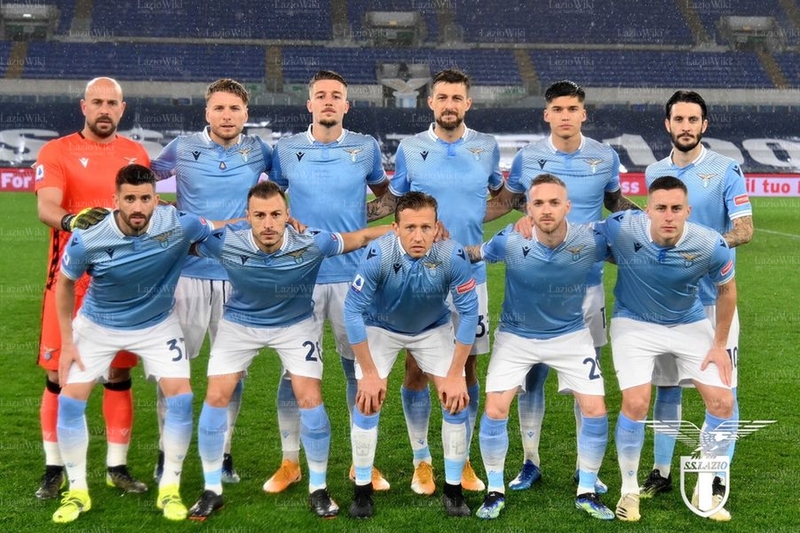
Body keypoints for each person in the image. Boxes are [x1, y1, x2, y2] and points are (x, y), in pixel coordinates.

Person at [187, 181, 392, 521]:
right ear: (247, 217)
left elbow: (361, 237)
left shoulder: (311, 242)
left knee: (309, 397)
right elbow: (181, 243)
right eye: (259, 216)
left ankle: (318, 488)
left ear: (288, 215)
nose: (268, 224)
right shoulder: (226, 242)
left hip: (295, 325)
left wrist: (401, 229)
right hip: (239, 324)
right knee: (216, 396)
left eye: (275, 215)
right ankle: (212, 490)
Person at [482, 79, 638, 492]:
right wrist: (456, 218)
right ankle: (530, 461)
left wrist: (651, 220)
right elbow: (510, 202)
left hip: (587, 284)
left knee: (588, 380)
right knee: (531, 378)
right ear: (546, 114)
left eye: (572, 109)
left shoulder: (605, 156)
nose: (565, 116)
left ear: (583, 114)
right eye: (558, 109)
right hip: (536, 283)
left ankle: (586, 469)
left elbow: (615, 204)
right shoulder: (528, 157)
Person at [366, 68, 503, 494]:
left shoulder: (486, 147)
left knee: (468, 366)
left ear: (468, 103)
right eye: (442, 97)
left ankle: (461, 459)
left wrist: (471, 234)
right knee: (417, 367)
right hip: (419, 276)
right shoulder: (411, 148)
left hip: (470, 276)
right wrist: (347, 215)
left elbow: (503, 198)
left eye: (457, 98)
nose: (449, 105)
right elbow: (394, 204)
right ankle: (421, 458)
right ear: (431, 102)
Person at [51, 165, 214, 523]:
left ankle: (169, 488)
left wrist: (270, 223)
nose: (137, 207)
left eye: (145, 198)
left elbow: (218, 229)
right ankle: (77, 491)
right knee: (70, 401)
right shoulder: (89, 236)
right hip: (97, 325)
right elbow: (64, 284)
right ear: (116, 200)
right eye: (129, 199)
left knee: (181, 398)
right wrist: (67, 341)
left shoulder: (179, 224)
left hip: (157, 324)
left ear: (157, 199)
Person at [264, 70, 391, 493]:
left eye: (336, 95)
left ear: (346, 105)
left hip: (354, 277)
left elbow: (386, 198)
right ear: (310, 104)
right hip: (300, 278)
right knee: (293, 373)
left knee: (359, 370)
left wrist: (359, 220)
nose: (329, 101)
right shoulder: (286, 149)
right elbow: (272, 200)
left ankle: (362, 462)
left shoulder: (365, 147)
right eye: (321, 95)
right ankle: (290, 462)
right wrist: (287, 221)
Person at [466, 175, 614, 521]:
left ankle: (587, 490)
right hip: (516, 337)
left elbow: (635, 249)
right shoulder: (510, 239)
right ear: (528, 209)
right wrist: (437, 249)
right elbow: (474, 254)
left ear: (567, 206)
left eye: (554, 203)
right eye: (539, 203)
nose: (546, 210)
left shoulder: (590, 239)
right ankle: (495, 490)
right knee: (495, 408)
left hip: (570, 335)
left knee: (595, 408)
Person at [151, 78, 272, 484]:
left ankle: (223, 453)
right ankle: (167, 452)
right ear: (207, 112)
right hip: (186, 274)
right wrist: (164, 209)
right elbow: (144, 179)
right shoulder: (182, 147)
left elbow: (284, 190)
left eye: (234, 109)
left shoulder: (259, 150)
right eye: (219, 108)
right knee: (173, 368)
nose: (227, 115)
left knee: (231, 371)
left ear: (246, 114)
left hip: (238, 276)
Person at [594, 176, 737, 522]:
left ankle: (705, 487)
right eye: (661, 208)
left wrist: (719, 345)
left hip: (688, 323)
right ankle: (629, 491)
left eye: (676, 208)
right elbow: (572, 236)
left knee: (723, 402)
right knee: (636, 402)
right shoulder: (621, 227)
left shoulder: (710, 243)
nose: (668, 216)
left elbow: (727, 290)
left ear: (688, 211)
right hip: (634, 322)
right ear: (647, 210)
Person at [34, 77, 149, 500]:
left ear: (122, 108)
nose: (104, 109)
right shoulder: (57, 151)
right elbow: (46, 206)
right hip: (68, 281)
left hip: (120, 285)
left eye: (111, 103)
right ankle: (54, 469)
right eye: (96, 102)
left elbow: (144, 207)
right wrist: (71, 220)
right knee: (58, 374)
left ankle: (116, 468)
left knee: (118, 373)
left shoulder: (135, 153)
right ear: (84, 106)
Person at [640, 91, 753, 520]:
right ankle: (661, 471)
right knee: (666, 387)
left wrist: (704, 245)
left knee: (722, 391)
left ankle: (714, 476)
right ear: (667, 124)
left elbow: (744, 228)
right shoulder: (655, 171)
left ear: (704, 125)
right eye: (679, 119)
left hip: (714, 302)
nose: (685, 126)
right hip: (666, 302)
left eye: (693, 119)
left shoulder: (726, 169)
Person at [344, 192, 478, 519]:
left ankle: (453, 492)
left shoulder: (453, 254)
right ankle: (362, 492)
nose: (418, 236)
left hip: (432, 328)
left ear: (437, 227)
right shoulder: (378, 253)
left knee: (455, 400)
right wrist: (370, 374)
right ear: (395, 228)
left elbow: (469, 313)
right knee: (367, 401)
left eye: (425, 227)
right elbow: (352, 311)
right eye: (410, 228)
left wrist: (455, 374)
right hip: (381, 327)